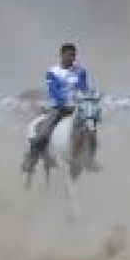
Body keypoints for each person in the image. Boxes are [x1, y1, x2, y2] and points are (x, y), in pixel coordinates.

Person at [23, 42, 99, 174]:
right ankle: (31, 159)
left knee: (91, 130)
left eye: (73, 55)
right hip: (58, 107)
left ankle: (90, 159)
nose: (71, 58)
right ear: (61, 55)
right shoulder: (53, 71)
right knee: (44, 132)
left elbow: (83, 87)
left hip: (77, 107)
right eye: (69, 55)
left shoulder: (80, 71)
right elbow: (53, 89)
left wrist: (85, 97)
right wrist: (65, 100)